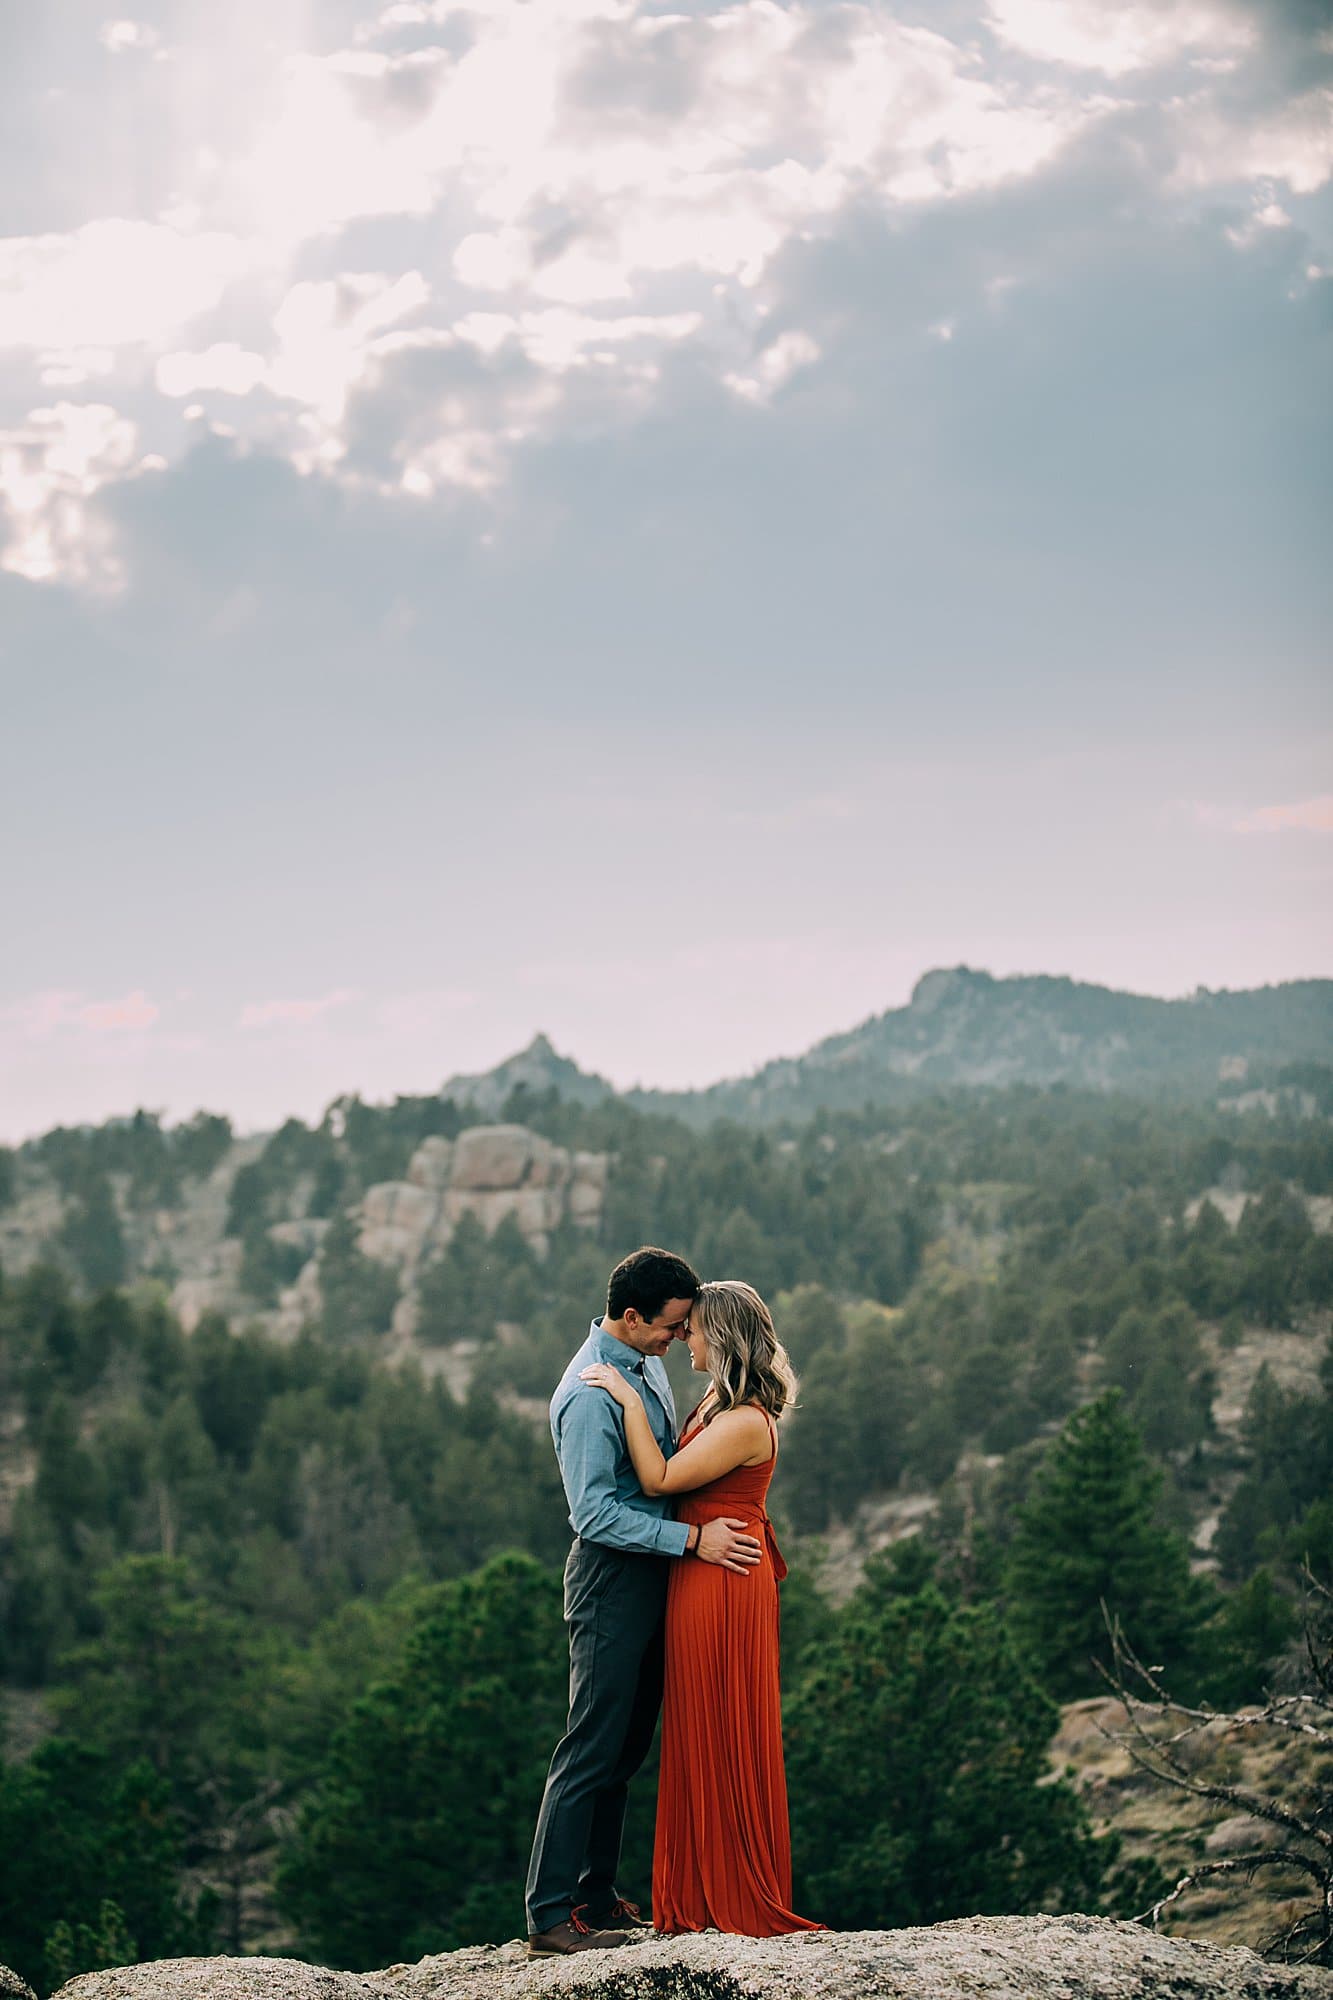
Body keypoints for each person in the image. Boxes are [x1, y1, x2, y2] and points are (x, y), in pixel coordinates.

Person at [524, 1247, 763, 1957]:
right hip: (610, 1580)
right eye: (671, 1327)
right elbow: (593, 1515)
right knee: (589, 1746)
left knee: (625, 1749)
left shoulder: (642, 1363)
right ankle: (549, 1914)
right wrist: (691, 1543)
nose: (679, 1339)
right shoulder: (589, 1394)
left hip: (653, 1573)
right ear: (631, 1317)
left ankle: (596, 1895)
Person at [581, 1278, 821, 1937]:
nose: (682, 1336)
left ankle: (732, 1893)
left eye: (693, 1329)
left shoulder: (744, 1421)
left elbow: (659, 1479)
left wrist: (627, 1398)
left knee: (719, 1728)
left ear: (723, 1337)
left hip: (721, 1581)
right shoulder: (717, 1400)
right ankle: (694, 1890)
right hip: (700, 1570)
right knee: (693, 1731)